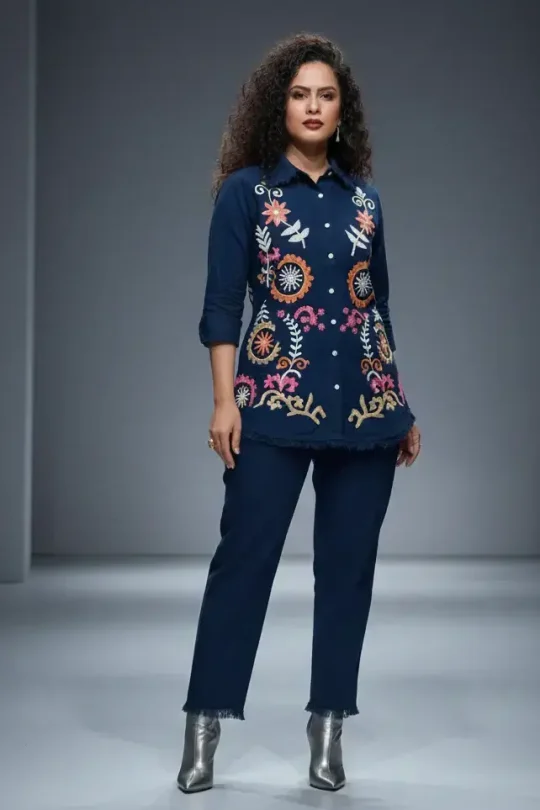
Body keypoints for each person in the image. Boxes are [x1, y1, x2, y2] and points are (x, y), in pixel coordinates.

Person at [177, 32, 421, 794]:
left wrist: (401, 402)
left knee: (347, 575)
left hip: (368, 416)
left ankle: (328, 730)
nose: (312, 106)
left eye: (326, 95)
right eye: (299, 94)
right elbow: (223, 306)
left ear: (343, 112)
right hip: (271, 408)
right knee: (242, 565)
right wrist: (224, 402)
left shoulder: (366, 202)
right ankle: (205, 725)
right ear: (277, 106)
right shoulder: (246, 193)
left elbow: (372, 306)